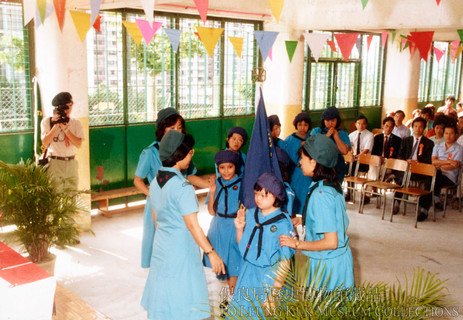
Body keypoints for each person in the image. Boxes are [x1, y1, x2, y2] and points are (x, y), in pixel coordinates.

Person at [141, 130, 225, 320]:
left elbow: (156, 220)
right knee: (184, 296)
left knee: (165, 292)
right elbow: (193, 226)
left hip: (162, 246)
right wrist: (211, 253)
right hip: (181, 249)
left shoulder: (155, 182)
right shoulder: (182, 187)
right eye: (189, 152)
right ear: (179, 157)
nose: (192, 154)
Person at [134, 107, 208, 269]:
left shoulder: (182, 151)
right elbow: (138, 180)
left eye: (179, 128)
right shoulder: (150, 152)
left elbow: (190, 175)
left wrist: (213, 185)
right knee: (158, 246)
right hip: (157, 203)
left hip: (178, 204)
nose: (176, 131)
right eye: (172, 128)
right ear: (162, 129)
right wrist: (151, 194)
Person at [280, 134, 354, 291]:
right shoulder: (328, 184)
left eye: (302, 158)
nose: (299, 162)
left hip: (328, 265)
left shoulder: (321, 195)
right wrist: (306, 219)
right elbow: (332, 217)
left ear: (314, 161)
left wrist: (297, 244)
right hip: (335, 261)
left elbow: (331, 242)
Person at [229, 172, 294, 319]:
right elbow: (244, 247)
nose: (258, 198)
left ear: (276, 196)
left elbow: (285, 262)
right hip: (248, 274)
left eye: (263, 195)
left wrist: (273, 295)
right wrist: (239, 228)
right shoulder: (251, 214)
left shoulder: (282, 224)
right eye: (256, 194)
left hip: (269, 278)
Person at [203, 150, 242, 296]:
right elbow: (211, 212)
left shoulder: (242, 184)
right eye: (222, 168)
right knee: (217, 266)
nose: (226, 171)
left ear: (235, 167)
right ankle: (223, 303)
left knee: (234, 265)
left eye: (230, 167)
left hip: (234, 227)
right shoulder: (216, 183)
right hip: (217, 227)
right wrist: (212, 191)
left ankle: (234, 301)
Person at [40, 92, 84, 192]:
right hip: (54, 162)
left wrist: (66, 129)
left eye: (70, 106)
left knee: (71, 197)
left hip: (71, 163)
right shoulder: (47, 122)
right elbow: (45, 143)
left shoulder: (76, 123)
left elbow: (78, 144)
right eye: (65, 107)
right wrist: (55, 125)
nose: (68, 110)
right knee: (55, 196)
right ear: (58, 107)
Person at [393, 117, 434, 218]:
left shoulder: (429, 143)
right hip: (407, 167)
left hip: (420, 170)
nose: (417, 129)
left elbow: (429, 160)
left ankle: (424, 209)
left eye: (420, 127)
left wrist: (418, 162)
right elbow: (400, 155)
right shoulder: (406, 140)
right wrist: (406, 161)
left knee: (430, 178)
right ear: (412, 127)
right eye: (415, 126)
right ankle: (397, 203)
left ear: (424, 128)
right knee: (401, 175)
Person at [310, 107, 350, 183]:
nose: (330, 123)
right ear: (323, 120)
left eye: (333, 121)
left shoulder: (342, 133)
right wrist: (327, 136)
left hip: (337, 165)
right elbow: (313, 147)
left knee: (335, 189)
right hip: (320, 164)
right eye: (327, 120)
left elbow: (344, 151)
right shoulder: (316, 131)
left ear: (337, 121)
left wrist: (336, 136)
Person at [284, 112, 312, 215]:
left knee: (306, 196)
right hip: (295, 173)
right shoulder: (289, 140)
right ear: (296, 125)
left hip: (309, 174)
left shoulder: (312, 138)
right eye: (300, 124)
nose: (302, 128)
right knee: (295, 196)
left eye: (305, 125)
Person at [431, 124, 463, 214]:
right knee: (433, 176)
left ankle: (430, 201)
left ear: (456, 135)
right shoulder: (437, 146)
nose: (448, 136)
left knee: (433, 176)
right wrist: (449, 161)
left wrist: (439, 164)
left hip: (450, 177)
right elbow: (433, 161)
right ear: (443, 134)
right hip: (437, 174)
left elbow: (452, 167)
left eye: (451, 133)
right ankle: (428, 205)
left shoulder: (459, 149)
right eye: (446, 133)